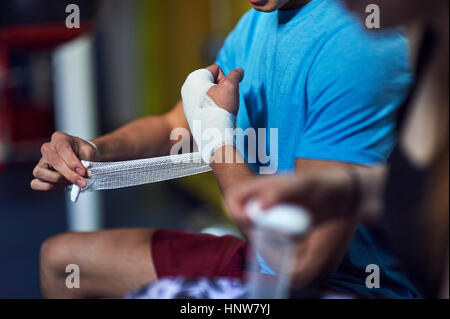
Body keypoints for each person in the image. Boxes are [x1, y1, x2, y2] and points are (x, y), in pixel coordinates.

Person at [32, 0, 415, 298]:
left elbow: (301, 265)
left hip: (348, 286)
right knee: (61, 261)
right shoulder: (257, 24)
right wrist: (93, 150)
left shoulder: (357, 49)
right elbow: (175, 126)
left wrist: (218, 141)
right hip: (263, 260)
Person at [228, 0, 449, 298]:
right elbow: (418, 192)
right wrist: (346, 191)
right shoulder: (433, 49)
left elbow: (301, 267)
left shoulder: (364, 48)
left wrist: (216, 143)